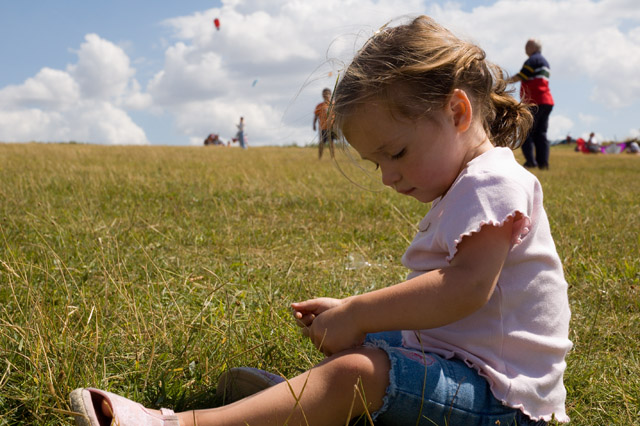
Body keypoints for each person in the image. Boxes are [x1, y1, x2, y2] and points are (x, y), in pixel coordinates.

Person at [69, 16, 572, 426]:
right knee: (366, 347)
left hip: (505, 402)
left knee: (358, 370)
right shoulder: (471, 183)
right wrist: (355, 316)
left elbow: (465, 289)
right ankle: (294, 406)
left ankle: (182, 423)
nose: (388, 177)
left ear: (458, 112)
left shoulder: (491, 181)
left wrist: (359, 312)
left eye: (396, 153)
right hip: (471, 367)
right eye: (377, 163)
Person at [509, 39, 554, 169]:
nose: (525, 48)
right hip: (547, 100)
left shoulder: (532, 60)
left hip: (535, 101)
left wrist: (504, 82)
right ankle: (543, 163)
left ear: (534, 47)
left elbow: (522, 75)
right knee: (541, 134)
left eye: (527, 45)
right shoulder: (545, 62)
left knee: (526, 131)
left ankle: (530, 162)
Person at [312, 88, 336, 159]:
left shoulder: (334, 104)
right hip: (322, 128)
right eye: (324, 94)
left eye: (327, 94)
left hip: (331, 127)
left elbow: (337, 115)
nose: (325, 95)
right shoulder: (320, 105)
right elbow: (316, 116)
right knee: (321, 143)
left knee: (331, 143)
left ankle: (333, 158)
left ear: (330, 95)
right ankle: (320, 158)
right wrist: (314, 125)